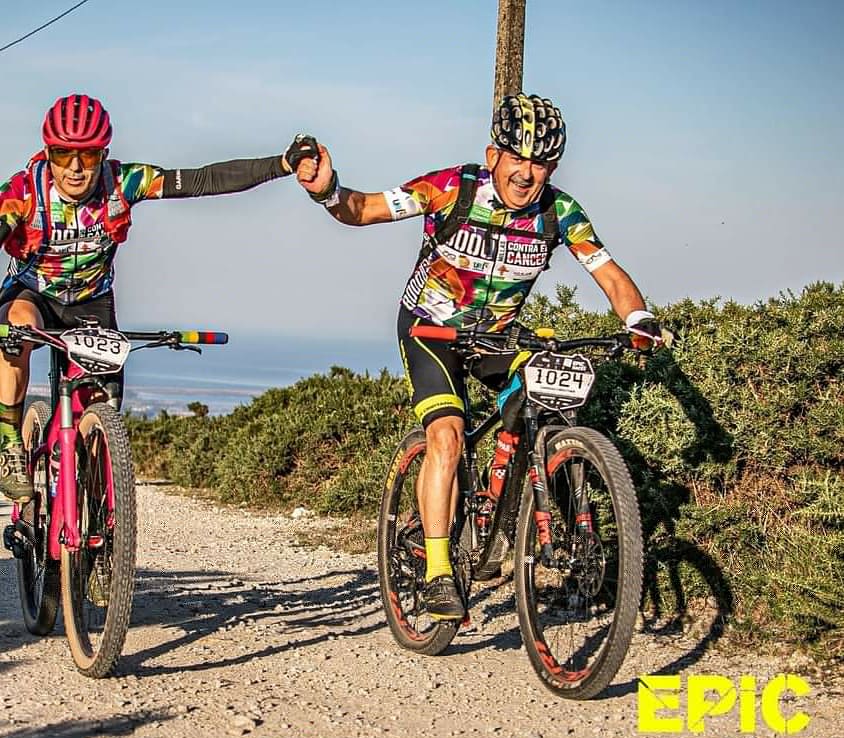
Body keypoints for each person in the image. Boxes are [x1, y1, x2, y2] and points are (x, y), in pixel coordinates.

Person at [296, 92, 665, 620]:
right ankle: (439, 571)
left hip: (498, 337)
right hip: (431, 331)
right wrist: (327, 190)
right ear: (494, 154)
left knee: (553, 404)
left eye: (540, 162)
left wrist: (637, 320)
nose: (526, 172)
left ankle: (540, 529)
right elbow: (364, 210)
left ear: (552, 167)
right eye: (517, 156)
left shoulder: (559, 211)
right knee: (446, 434)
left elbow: (607, 271)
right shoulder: (452, 189)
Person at [0, 93, 318, 501]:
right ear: (48, 153)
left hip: (91, 301)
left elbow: (203, 180)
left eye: (88, 155)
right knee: (18, 329)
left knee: (101, 405)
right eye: (63, 155)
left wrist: (283, 164)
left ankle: (89, 499)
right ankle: (9, 443)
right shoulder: (24, 191)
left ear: (104, 153)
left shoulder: (124, 182)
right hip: (35, 294)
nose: (75, 168)